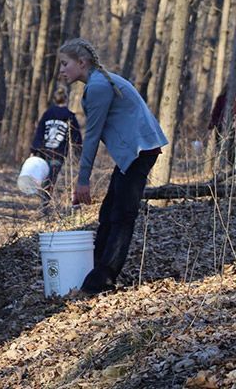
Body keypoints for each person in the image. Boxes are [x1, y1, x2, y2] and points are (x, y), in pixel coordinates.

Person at [58, 38, 168, 295]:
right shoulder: (98, 82)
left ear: (81, 63)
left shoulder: (98, 86)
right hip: (135, 152)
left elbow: (92, 137)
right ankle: (94, 273)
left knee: (122, 216)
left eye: (65, 64)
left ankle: (100, 281)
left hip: (140, 150)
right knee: (108, 213)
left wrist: (82, 180)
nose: (62, 70)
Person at [30, 84, 82, 213]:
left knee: (45, 178)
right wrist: (77, 155)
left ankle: (44, 205)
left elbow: (39, 132)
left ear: (54, 99)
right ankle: (45, 206)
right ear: (66, 99)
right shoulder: (70, 116)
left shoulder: (47, 114)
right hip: (58, 154)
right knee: (50, 179)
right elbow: (76, 137)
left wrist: (34, 150)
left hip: (43, 152)